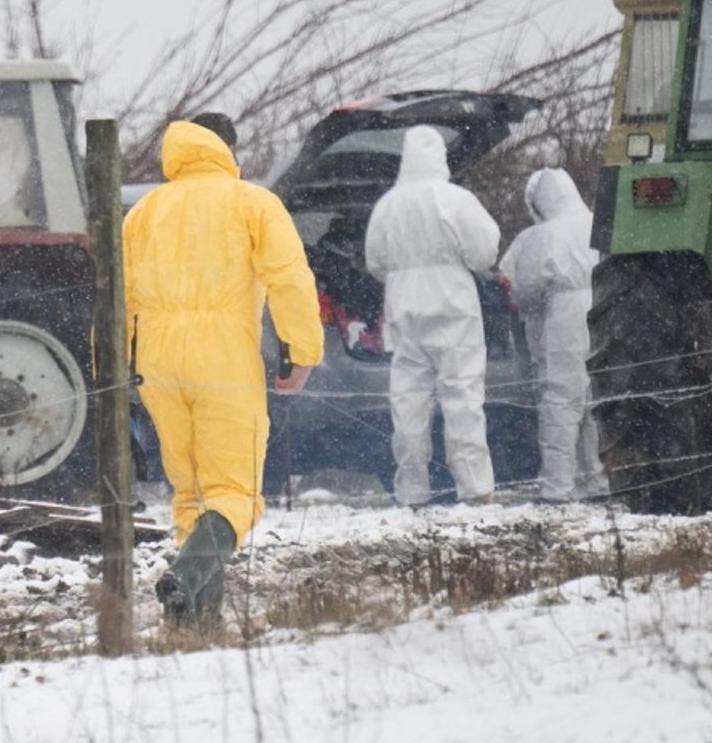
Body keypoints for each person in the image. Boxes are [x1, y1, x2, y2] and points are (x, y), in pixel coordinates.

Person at [124, 120, 323, 627]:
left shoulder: (144, 212)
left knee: (190, 493)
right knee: (236, 494)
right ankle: (186, 574)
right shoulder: (251, 202)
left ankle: (195, 622)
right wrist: (301, 352)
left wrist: (115, 366)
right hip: (223, 358)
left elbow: (118, 297)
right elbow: (290, 279)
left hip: (157, 360)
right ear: (226, 149)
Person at [364, 125, 502, 506]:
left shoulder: (387, 204)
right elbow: (484, 252)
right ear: (440, 156)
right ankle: (475, 489)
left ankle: (412, 491)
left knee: (407, 403)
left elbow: (375, 261)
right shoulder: (454, 199)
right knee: (462, 398)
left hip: (404, 308)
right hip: (453, 306)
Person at [499, 167, 610, 503]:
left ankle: (557, 486)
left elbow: (525, 291)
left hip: (565, 315)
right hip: (605, 308)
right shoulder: (601, 223)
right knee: (596, 399)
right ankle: (598, 479)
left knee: (560, 400)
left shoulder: (543, 236)